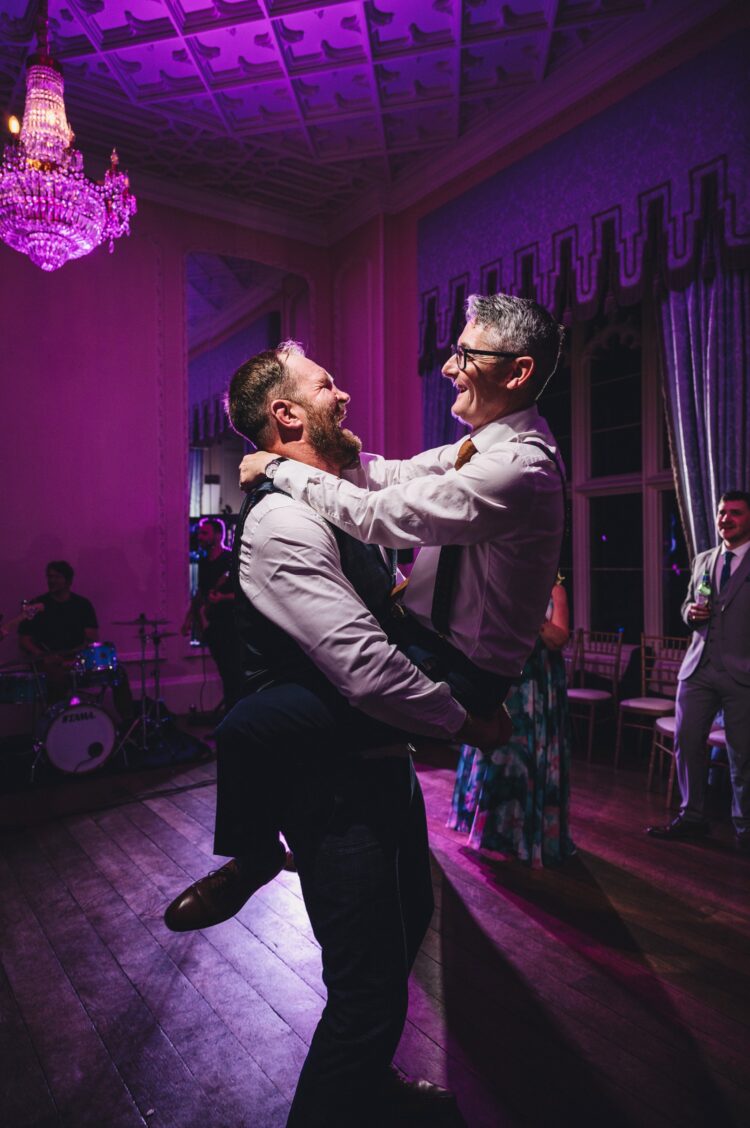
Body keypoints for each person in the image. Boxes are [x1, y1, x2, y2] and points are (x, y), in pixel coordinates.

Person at [166, 342, 507, 1127]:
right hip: (327, 783)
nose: (343, 391)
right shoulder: (284, 521)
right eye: (326, 385)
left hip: (374, 763)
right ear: (286, 415)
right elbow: (364, 667)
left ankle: (368, 1084)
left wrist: (471, 453)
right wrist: (465, 724)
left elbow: (398, 471)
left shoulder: (328, 488)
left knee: (407, 921)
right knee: (365, 986)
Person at [238, 292, 566, 702]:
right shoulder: (483, 449)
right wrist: (331, 457)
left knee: (256, 724)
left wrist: (277, 467)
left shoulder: (517, 467)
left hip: (456, 667)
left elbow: (376, 516)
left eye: (466, 355)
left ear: (517, 372)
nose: (448, 367)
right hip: (429, 647)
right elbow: (396, 474)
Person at [647, 490, 750, 851]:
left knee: (743, 754)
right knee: (687, 743)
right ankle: (692, 816)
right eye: (722, 512)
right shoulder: (703, 559)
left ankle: (745, 828)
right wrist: (689, 613)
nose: (726, 519)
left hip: (743, 673)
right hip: (698, 669)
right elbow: (689, 605)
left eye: (735, 513)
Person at [448, 576, 576, 866]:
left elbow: (559, 637)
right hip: (504, 681)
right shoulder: (499, 581)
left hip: (536, 689)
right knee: (495, 755)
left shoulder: (554, 589)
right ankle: (487, 827)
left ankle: (524, 833)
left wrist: (530, 615)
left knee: (527, 760)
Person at [182, 517, 244, 712]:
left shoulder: (230, 559)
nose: (200, 537)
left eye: (205, 533)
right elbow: (200, 593)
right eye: (200, 533)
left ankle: (236, 714)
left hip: (232, 625)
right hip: (213, 625)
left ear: (218, 535)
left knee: (234, 672)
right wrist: (189, 619)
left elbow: (245, 594)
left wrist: (223, 597)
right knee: (225, 672)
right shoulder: (203, 561)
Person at [18, 561, 98, 702]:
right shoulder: (36, 605)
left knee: (118, 672)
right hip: (49, 662)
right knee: (58, 678)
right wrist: (42, 655)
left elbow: (91, 638)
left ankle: (128, 719)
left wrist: (76, 660)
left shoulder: (83, 604)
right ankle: (61, 719)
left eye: (57, 577)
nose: (52, 580)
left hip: (78, 661)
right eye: (49, 577)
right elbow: (24, 639)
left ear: (68, 580)